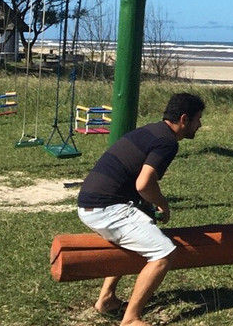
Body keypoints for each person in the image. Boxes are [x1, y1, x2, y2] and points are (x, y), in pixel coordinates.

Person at [76, 92, 205, 325]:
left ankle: (106, 298)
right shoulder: (167, 142)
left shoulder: (151, 130)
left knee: (141, 233)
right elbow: (144, 183)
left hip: (90, 203)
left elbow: (130, 178)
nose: (200, 125)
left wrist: (146, 206)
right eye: (198, 119)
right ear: (184, 119)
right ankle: (131, 318)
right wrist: (163, 205)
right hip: (105, 210)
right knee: (163, 253)